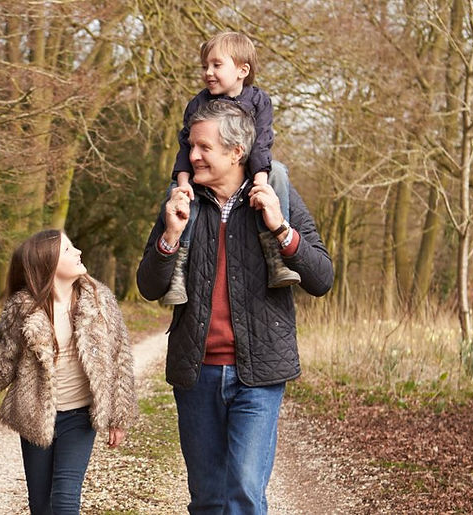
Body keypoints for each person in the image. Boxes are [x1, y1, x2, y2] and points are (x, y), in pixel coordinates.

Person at [136, 100, 333, 514]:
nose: (192, 156)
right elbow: (149, 286)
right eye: (191, 146)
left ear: (236, 152)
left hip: (259, 373)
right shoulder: (181, 201)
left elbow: (322, 278)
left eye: (204, 148)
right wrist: (170, 235)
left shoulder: (278, 194)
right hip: (196, 372)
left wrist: (282, 228)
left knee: (244, 489)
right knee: (207, 498)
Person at [0, 229, 137, 515]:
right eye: (69, 250)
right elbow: (3, 360)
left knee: (64, 499)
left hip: (80, 416)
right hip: (36, 415)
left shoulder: (100, 301)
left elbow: (119, 359)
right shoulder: (23, 308)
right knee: (41, 504)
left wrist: (119, 416)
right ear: (48, 263)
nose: (79, 252)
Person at [162, 31, 299, 306]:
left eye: (216, 65)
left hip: (251, 170)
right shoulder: (198, 103)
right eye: (205, 67)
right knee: (179, 193)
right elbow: (185, 146)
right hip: (206, 174)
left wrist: (261, 182)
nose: (208, 73)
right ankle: (179, 266)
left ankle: (274, 250)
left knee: (280, 174)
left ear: (242, 70)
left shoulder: (259, 101)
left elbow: (262, 142)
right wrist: (184, 181)